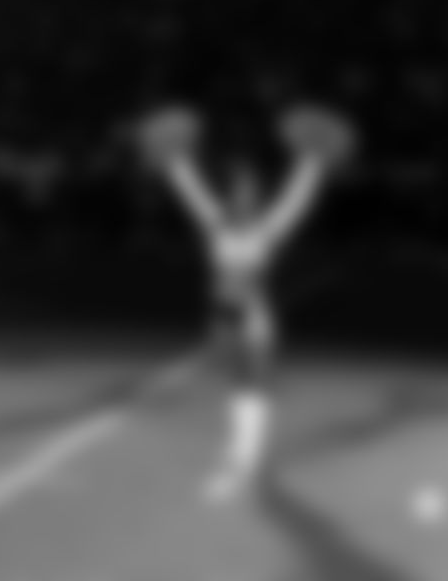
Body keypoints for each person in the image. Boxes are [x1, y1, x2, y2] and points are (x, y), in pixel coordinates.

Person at [137, 103, 356, 501]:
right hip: (223, 318)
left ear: (257, 196)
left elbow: (297, 198)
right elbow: (189, 188)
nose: (244, 194)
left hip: (254, 321)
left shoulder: (266, 229)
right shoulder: (216, 221)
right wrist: (174, 158)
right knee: (239, 390)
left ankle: (242, 465)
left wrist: (311, 161)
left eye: (250, 189)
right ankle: (240, 456)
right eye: (238, 188)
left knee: (252, 389)